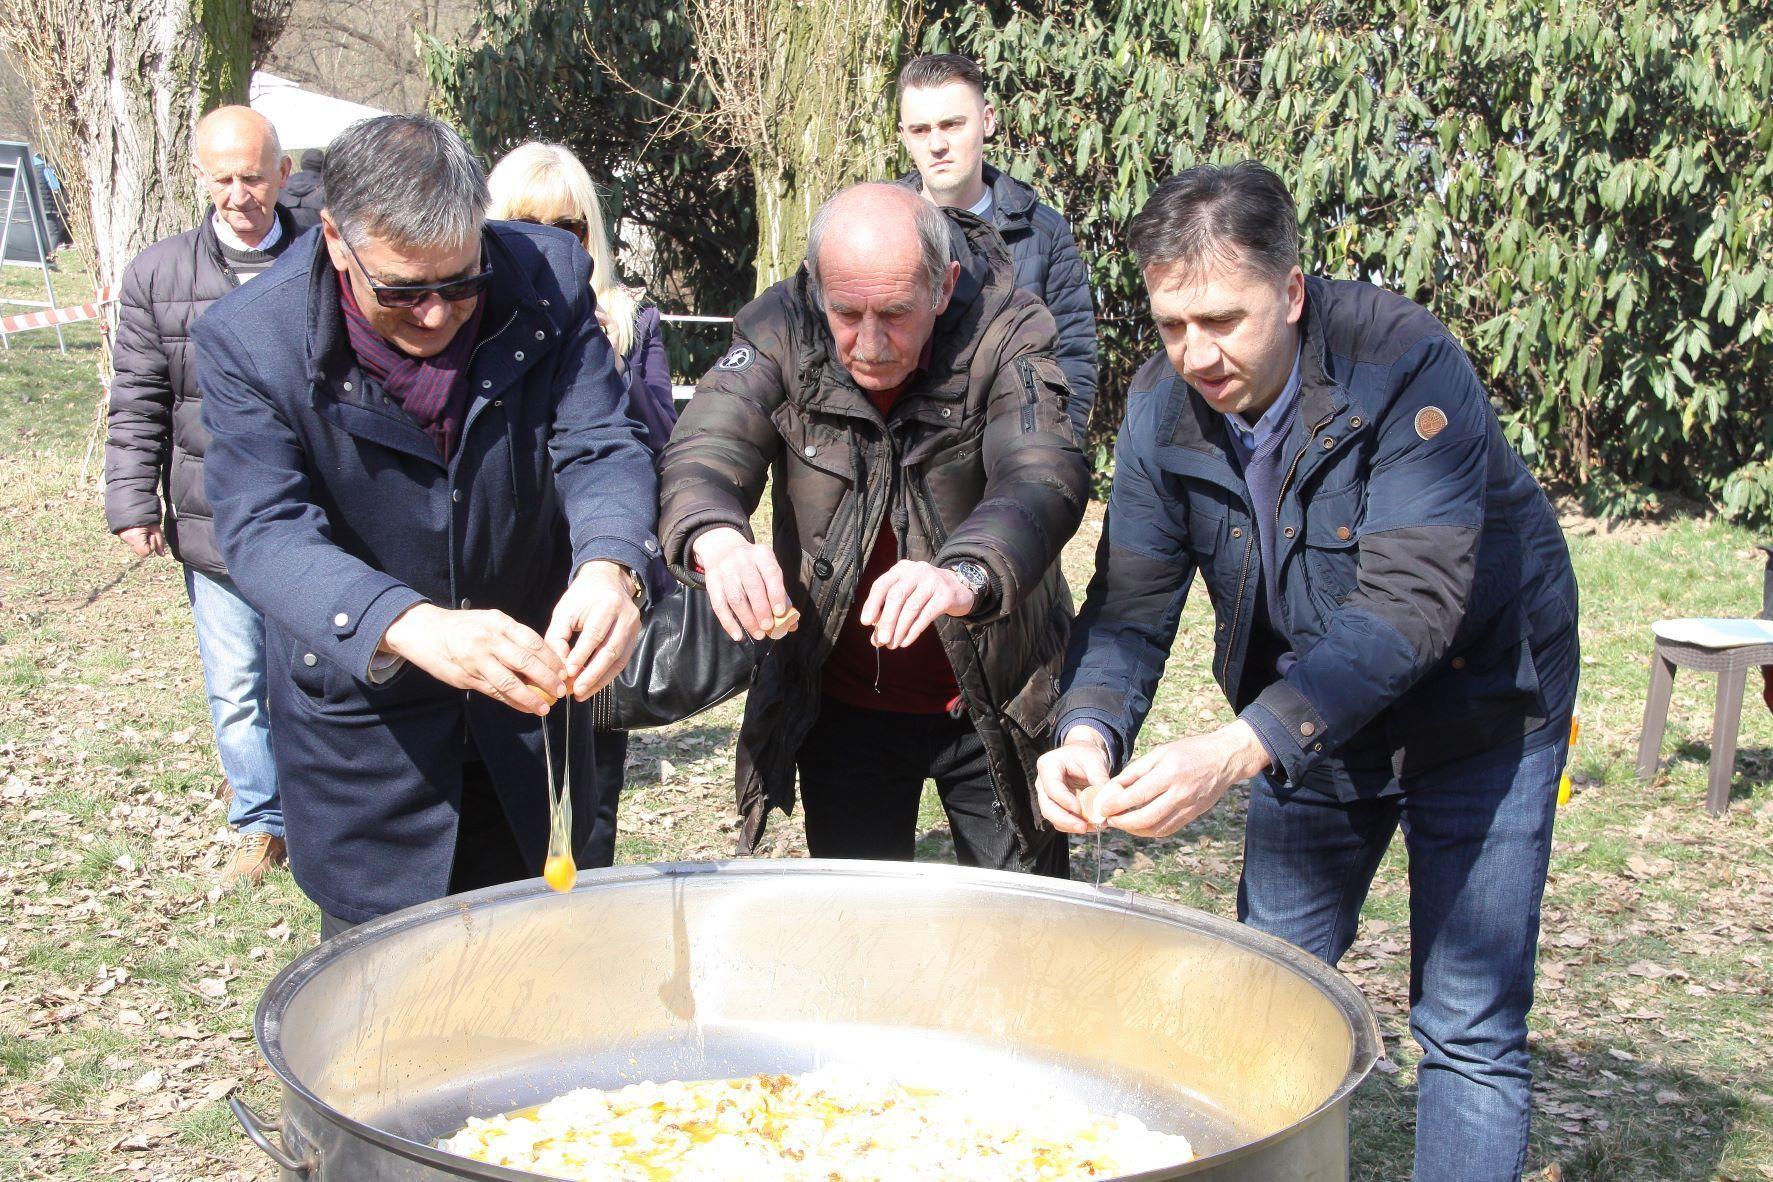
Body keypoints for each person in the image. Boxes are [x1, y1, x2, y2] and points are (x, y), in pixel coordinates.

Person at [1038, 162, 1580, 1181]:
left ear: (1291, 291)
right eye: (1170, 324)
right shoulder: (1160, 413)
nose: (1197, 353)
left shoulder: (1408, 366)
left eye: (1225, 320)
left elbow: (1411, 608)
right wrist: (1087, 730)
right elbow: (1131, 603)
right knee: (1262, 996)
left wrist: (1238, 749)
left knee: (1465, 1021)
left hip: (1481, 707)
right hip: (1308, 722)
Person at [196, 114, 659, 936]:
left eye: (462, 281)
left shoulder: (547, 277)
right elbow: (264, 531)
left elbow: (600, 441)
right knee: (391, 1025)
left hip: (529, 721)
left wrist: (610, 563)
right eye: (404, 291)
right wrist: (403, 624)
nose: (439, 315)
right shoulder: (251, 340)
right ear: (337, 241)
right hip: (367, 747)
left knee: (543, 980)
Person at [658, 182, 1088, 874]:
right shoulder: (779, 326)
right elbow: (704, 447)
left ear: (944, 287)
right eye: (846, 313)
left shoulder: (1008, 327)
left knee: (1023, 938)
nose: (869, 343)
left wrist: (965, 574)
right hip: (843, 700)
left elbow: (1042, 476)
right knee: (860, 934)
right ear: (815, 287)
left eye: (894, 314)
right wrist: (715, 535)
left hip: (996, 692)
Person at [104, 105, 316, 885]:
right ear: (201, 178)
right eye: (222, 179)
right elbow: (138, 399)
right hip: (214, 520)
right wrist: (132, 500)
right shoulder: (157, 275)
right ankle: (263, 823)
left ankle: (325, 809)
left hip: (312, 517)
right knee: (235, 687)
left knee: (312, 678)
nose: (238, 195)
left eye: (253, 177)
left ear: (282, 174)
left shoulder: (329, 258)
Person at [486, 139, 677, 856]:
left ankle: (586, 897)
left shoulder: (632, 320)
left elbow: (656, 441)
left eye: (565, 229)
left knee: (590, 776)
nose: (547, 244)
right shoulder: (482, 327)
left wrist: (601, 362)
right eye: (524, 223)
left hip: (596, 573)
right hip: (509, 571)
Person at [897, 52, 1097, 441]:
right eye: (920, 130)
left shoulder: (1043, 232)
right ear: (904, 136)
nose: (937, 144)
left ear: (986, 121)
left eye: (952, 124)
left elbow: (1073, 356)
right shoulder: (873, 226)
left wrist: (1051, 462)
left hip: (1012, 455)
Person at [282, 148, 326, 218]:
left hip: (285, 228)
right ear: (323, 166)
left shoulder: (282, 186)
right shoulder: (328, 190)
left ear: (302, 164)